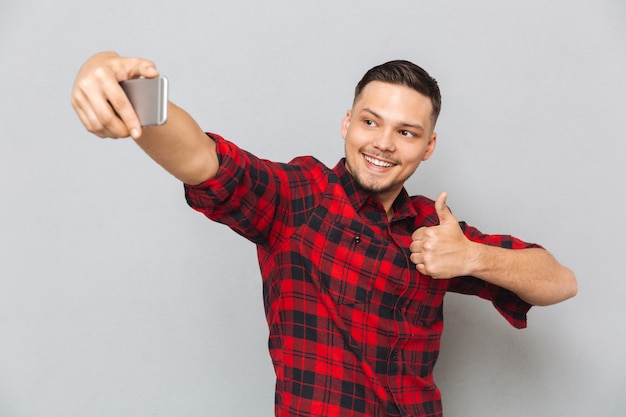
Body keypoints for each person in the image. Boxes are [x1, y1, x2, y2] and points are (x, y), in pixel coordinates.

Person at [71, 52, 577, 417]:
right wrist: (128, 94)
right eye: (370, 122)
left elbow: (559, 282)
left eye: (406, 132)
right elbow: (205, 161)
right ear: (347, 123)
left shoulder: (438, 232)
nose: (383, 143)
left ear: (428, 147)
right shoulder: (299, 199)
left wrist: (472, 258)